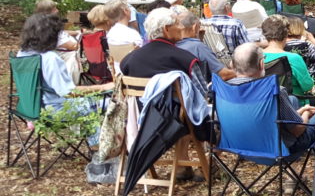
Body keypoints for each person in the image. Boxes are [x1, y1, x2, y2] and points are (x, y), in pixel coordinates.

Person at [14, 13, 114, 147]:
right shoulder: (49, 58)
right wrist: (103, 87)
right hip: (56, 111)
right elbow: (68, 92)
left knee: (91, 106)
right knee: (114, 103)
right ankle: (102, 152)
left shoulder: (22, 53)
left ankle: (96, 147)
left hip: (30, 108)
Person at [228, 43, 315, 168]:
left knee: (292, 100)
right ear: (261, 65)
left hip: (238, 147)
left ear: (232, 65)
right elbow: (297, 130)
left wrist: (300, 111)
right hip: (278, 151)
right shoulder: (275, 91)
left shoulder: (220, 90)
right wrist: (307, 113)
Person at [120, 8, 201, 79]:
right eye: (177, 23)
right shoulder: (187, 60)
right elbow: (202, 92)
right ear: (166, 29)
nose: (182, 27)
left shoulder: (128, 61)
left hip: (140, 96)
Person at [261, 15, 315, 99]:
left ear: (265, 34)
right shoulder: (294, 58)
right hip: (293, 103)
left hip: (265, 101)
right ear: (286, 34)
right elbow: (307, 86)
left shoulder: (256, 56)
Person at [176, 9, 235, 82]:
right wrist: (242, 73)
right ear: (195, 27)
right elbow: (224, 75)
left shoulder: (173, 45)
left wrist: (199, 38)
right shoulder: (198, 47)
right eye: (199, 26)